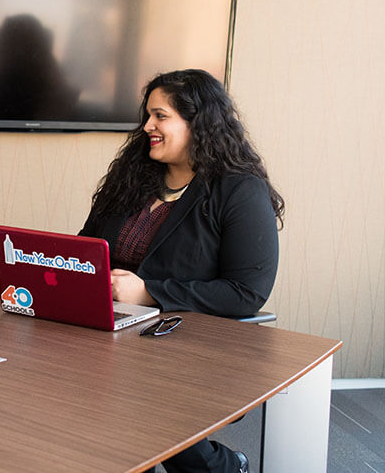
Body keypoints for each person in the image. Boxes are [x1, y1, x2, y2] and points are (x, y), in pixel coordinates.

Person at [79, 69, 284, 473]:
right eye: (148, 116)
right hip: (113, 333)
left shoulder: (239, 190)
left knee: (128, 398)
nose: (147, 126)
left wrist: (148, 292)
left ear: (198, 123)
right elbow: (88, 247)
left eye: (160, 116)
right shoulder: (131, 177)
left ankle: (222, 467)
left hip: (191, 342)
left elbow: (246, 292)